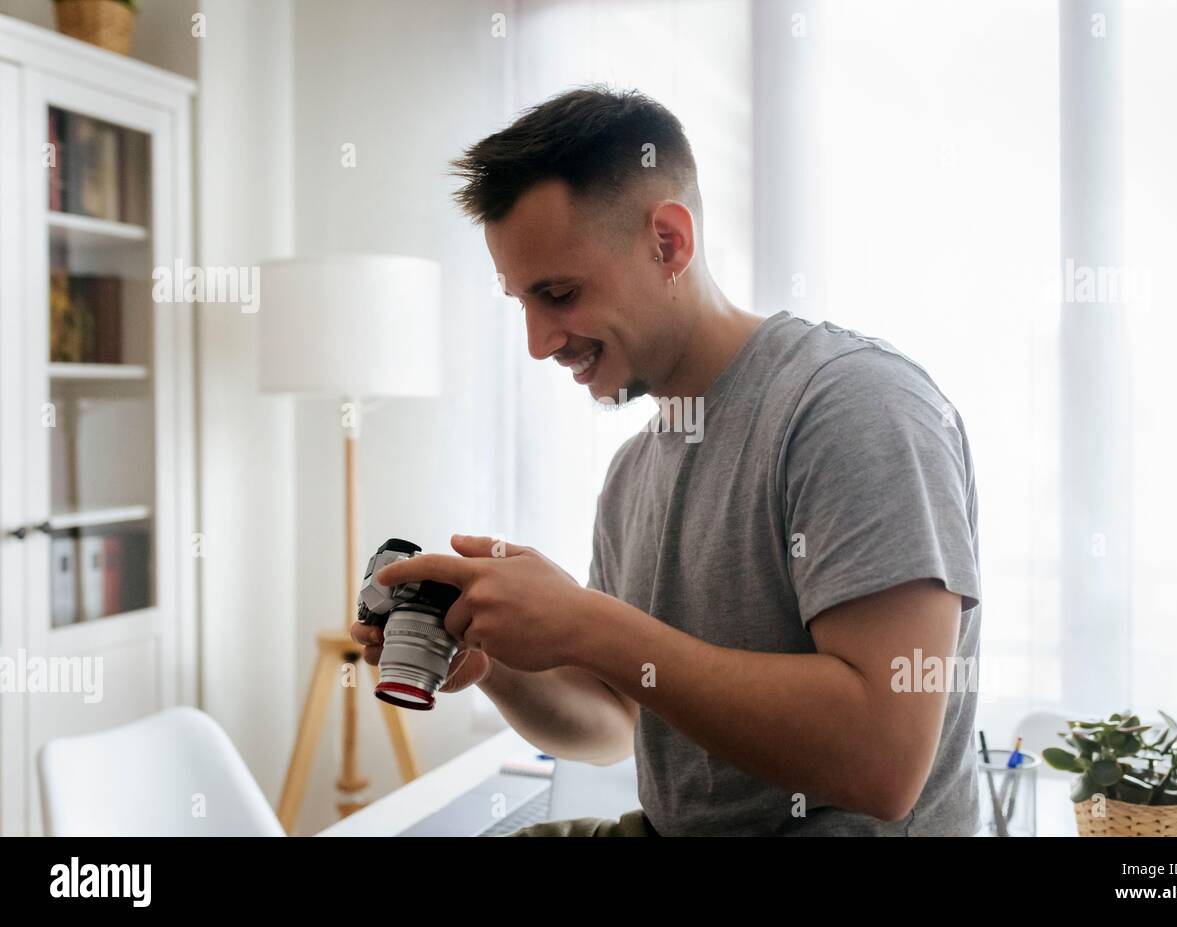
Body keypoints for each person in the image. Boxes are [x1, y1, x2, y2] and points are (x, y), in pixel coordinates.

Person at [351, 87, 982, 836]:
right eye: (523, 301)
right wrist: (497, 664)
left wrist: (586, 624)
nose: (538, 341)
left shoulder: (854, 407)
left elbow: (884, 759)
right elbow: (617, 719)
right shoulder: (632, 475)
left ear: (669, 243)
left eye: (559, 293)